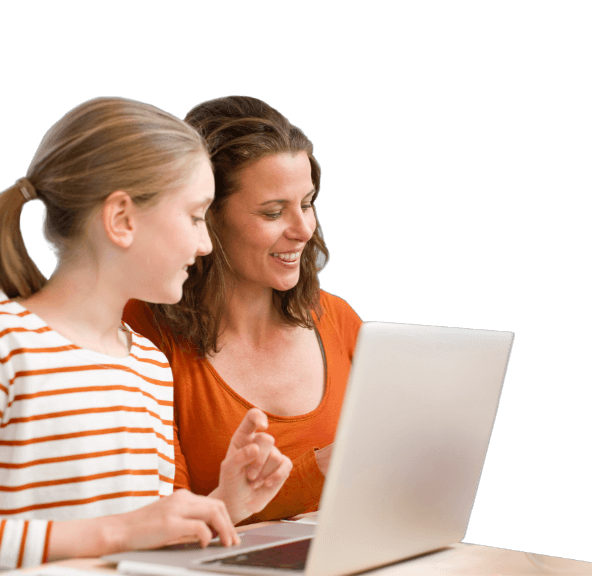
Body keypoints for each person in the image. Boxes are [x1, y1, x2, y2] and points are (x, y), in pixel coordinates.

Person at [0, 97, 292, 569]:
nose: (204, 245)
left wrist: (225, 504)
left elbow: (142, 544)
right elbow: (121, 533)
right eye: (196, 217)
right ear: (122, 219)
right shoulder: (10, 346)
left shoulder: (150, 367)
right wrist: (116, 533)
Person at [123, 96, 362, 524]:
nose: (304, 230)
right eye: (273, 212)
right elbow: (159, 523)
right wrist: (322, 468)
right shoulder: (140, 330)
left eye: (307, 203)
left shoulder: (338, 319)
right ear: (206, 216)